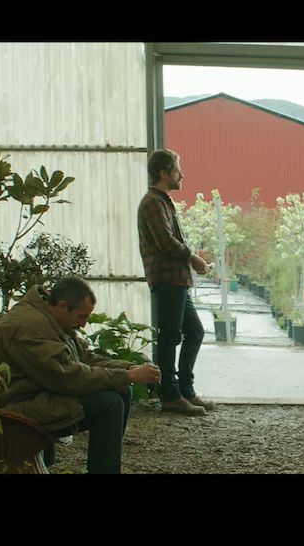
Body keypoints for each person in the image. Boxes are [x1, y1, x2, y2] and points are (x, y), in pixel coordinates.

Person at [0, 276, 161, 474]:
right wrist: (127, 376)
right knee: (109, 403)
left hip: (38, 392)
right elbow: (67, 378)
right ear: (62, 306)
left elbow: (84, 358)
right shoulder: (29, 326)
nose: (84, 324)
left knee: (122, 391)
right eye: (81, 317)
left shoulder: (49, 317)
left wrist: (128, 368)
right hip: (14, 404)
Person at [137, 148, 215, 416]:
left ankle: (185, 391)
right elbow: (166, 242)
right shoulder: (152, 203)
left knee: (194, 332)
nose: (182, 175)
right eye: (177, 169)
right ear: (164, 173)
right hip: (167, 279)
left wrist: (191, 261)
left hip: (177, 280)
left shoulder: (161, 201)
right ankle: (171, 395)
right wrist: (193, 257)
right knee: (169, 336)